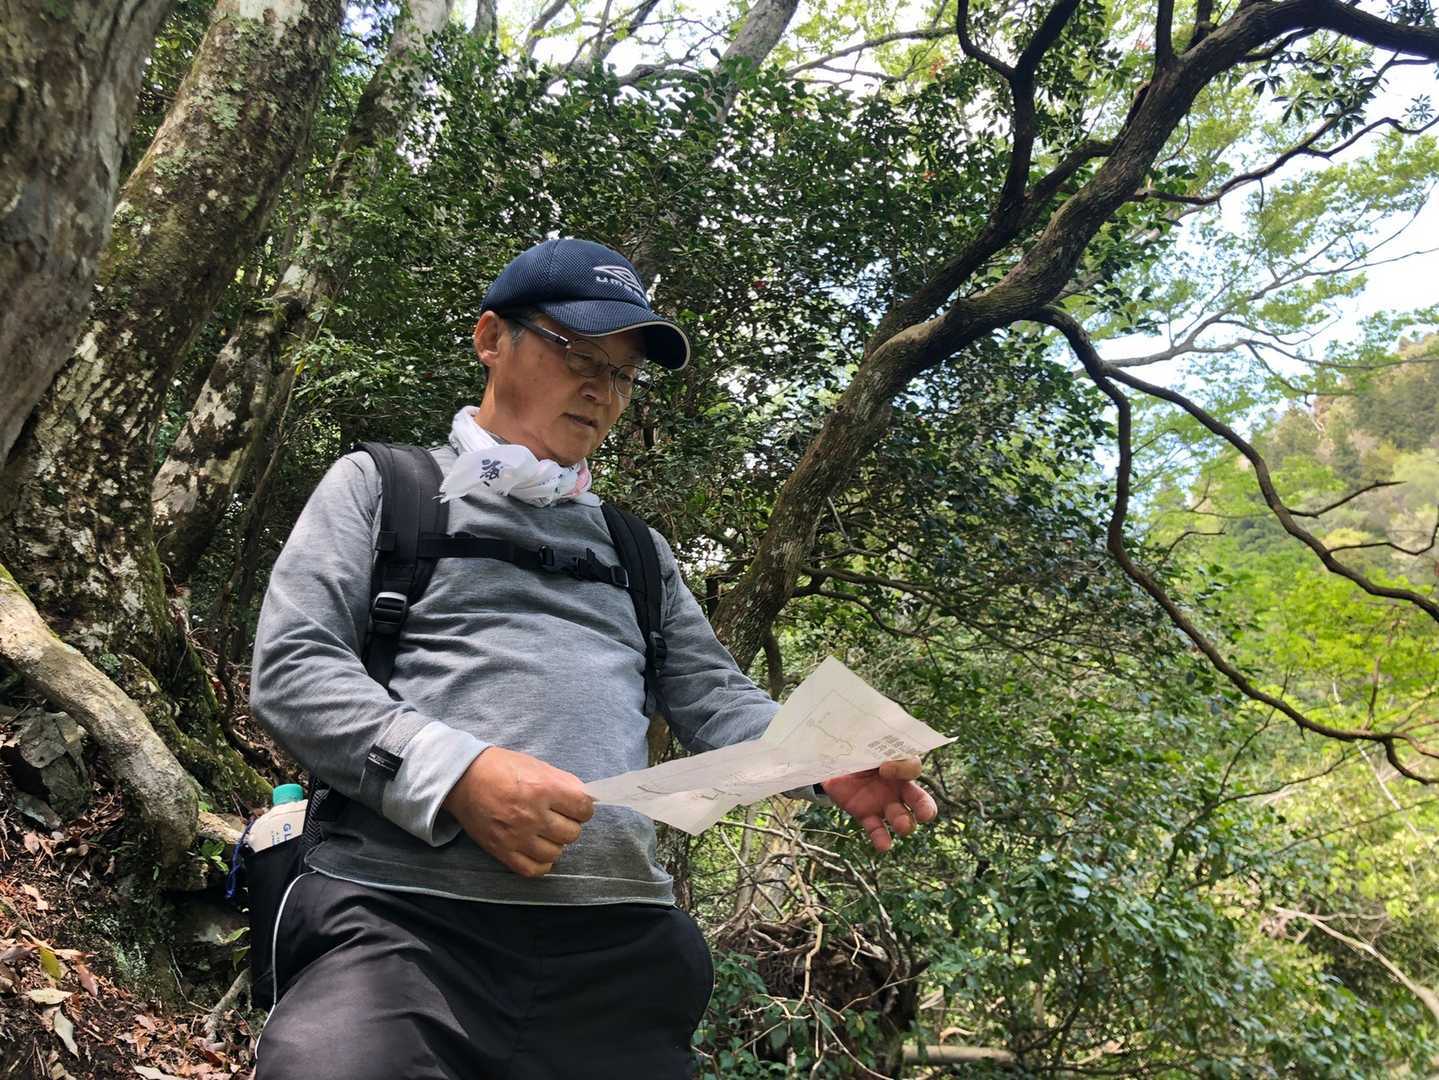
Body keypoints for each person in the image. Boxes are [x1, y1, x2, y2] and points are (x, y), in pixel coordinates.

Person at [248, 237, 938, 1079]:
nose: (601, 390)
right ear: (491, 338)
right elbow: (294, 668)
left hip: (619, 949)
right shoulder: (383, 487)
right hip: (398, 920)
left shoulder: (635, 551)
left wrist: (824, 757)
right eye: (578, 355)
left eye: (622, 374)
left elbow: (715, 698)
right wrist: (456, 773)